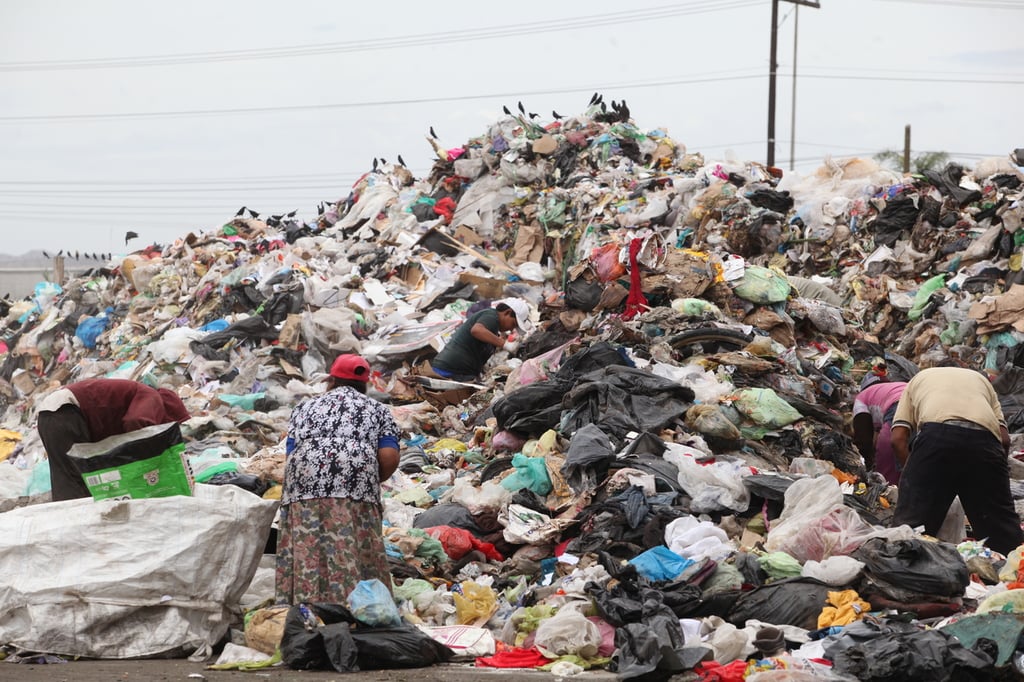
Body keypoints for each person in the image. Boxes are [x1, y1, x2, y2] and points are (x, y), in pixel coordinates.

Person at [276, 354, 400, 605]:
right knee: (353, 544)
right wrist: (369, 481)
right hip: (355, 484)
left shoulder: (304, 407)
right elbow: (389, 456)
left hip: (303, 484)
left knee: (309, 545)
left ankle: (306, 604)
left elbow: (291, 452)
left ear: (331, 380)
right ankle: (356, 606)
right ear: (364, 384)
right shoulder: (377, 410)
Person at [890, 366, 1024, 555]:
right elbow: (1004, 439)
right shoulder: (983, 382)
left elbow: (897, 439)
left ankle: (902, 568)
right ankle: (1013, 573)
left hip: (936, 437)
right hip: (985, 442)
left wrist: (913, 478)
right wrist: (994, 482)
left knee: (912, 528)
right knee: (1001, 529)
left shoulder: (917, 380)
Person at [36, 378, 191, 501]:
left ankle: (74, 522)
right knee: (76, 477)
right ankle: (78, 526)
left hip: (53, 413)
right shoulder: (152, 396)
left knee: (69, 476)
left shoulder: (139, 393)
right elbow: (137, 423)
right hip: (64, 413)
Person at [429, 298, 533, 381]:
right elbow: (476, 330)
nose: (511, 329)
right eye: (513, 324)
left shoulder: (493, 326)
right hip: (451, 370)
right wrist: (505, 344)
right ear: (507, 312)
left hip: (457, 370)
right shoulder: (491, 316)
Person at [851, 371, 907, 485]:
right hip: (924, 403)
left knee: (887, 458)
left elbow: (863, 440)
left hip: (898, 406)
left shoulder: (861, 398)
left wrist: (868, 465)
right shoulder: (890, 389)